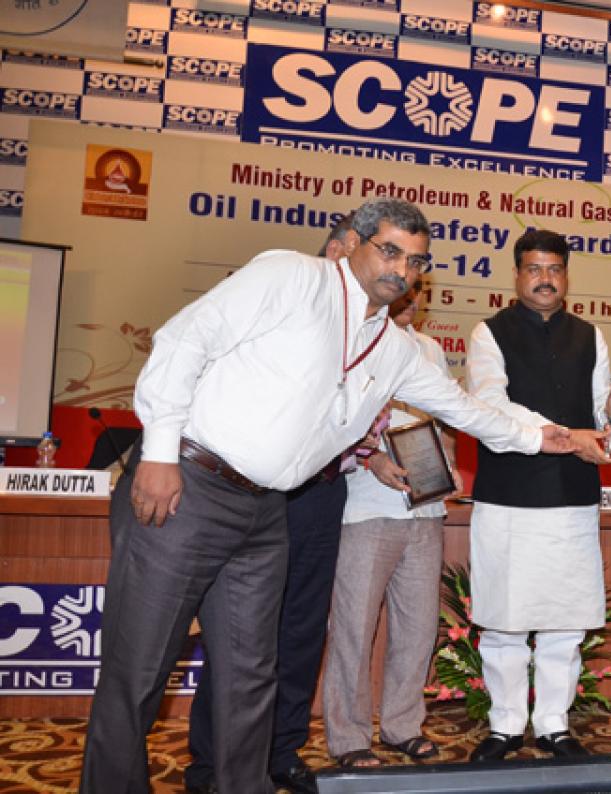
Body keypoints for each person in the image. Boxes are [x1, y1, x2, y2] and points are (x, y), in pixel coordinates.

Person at [80, 199, 573, 794]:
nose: (401, 269)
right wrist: (158, 453)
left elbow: (464, 409)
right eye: (389, 250)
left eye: (415, 261)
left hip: (265, 514)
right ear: (354, 242)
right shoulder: (291, 277)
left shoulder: (392, 349)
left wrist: (543, 437)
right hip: (189, 485)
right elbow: (185, 339)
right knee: (138, 671)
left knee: (251, 674)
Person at [183, 215, 356, 794]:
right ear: (338, 250)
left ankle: (282, 751)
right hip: (264, 491)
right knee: (244, 632)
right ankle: (212, 763)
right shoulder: (284, 299)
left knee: (304, 630)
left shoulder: (365, 329)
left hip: (325, 492)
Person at [465, 228, 611, 762]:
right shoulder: (489, 333)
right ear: (517, 275)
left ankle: (553, 723)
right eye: (534, 269)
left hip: (572, 497)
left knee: (564, 624)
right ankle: (504, 724)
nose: (545, 279)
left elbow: (603, 410)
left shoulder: (591, 335)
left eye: (554, 269)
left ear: (566, 276)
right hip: (507, 496)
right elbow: (488, 404)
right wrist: (569, 437)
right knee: (503, 622)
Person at [321, 280, 457, 769]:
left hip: (426, 510)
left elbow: (443, 420)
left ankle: (403, 725)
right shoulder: (354, 346)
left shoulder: (430, 350)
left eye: (416, 292)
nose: (408, 299)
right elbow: (329, 421)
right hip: (366, 506)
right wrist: (370, 458)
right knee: (354, 628)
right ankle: (349, 735)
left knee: (418, 628)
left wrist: (450, 465)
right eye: (401, 290)